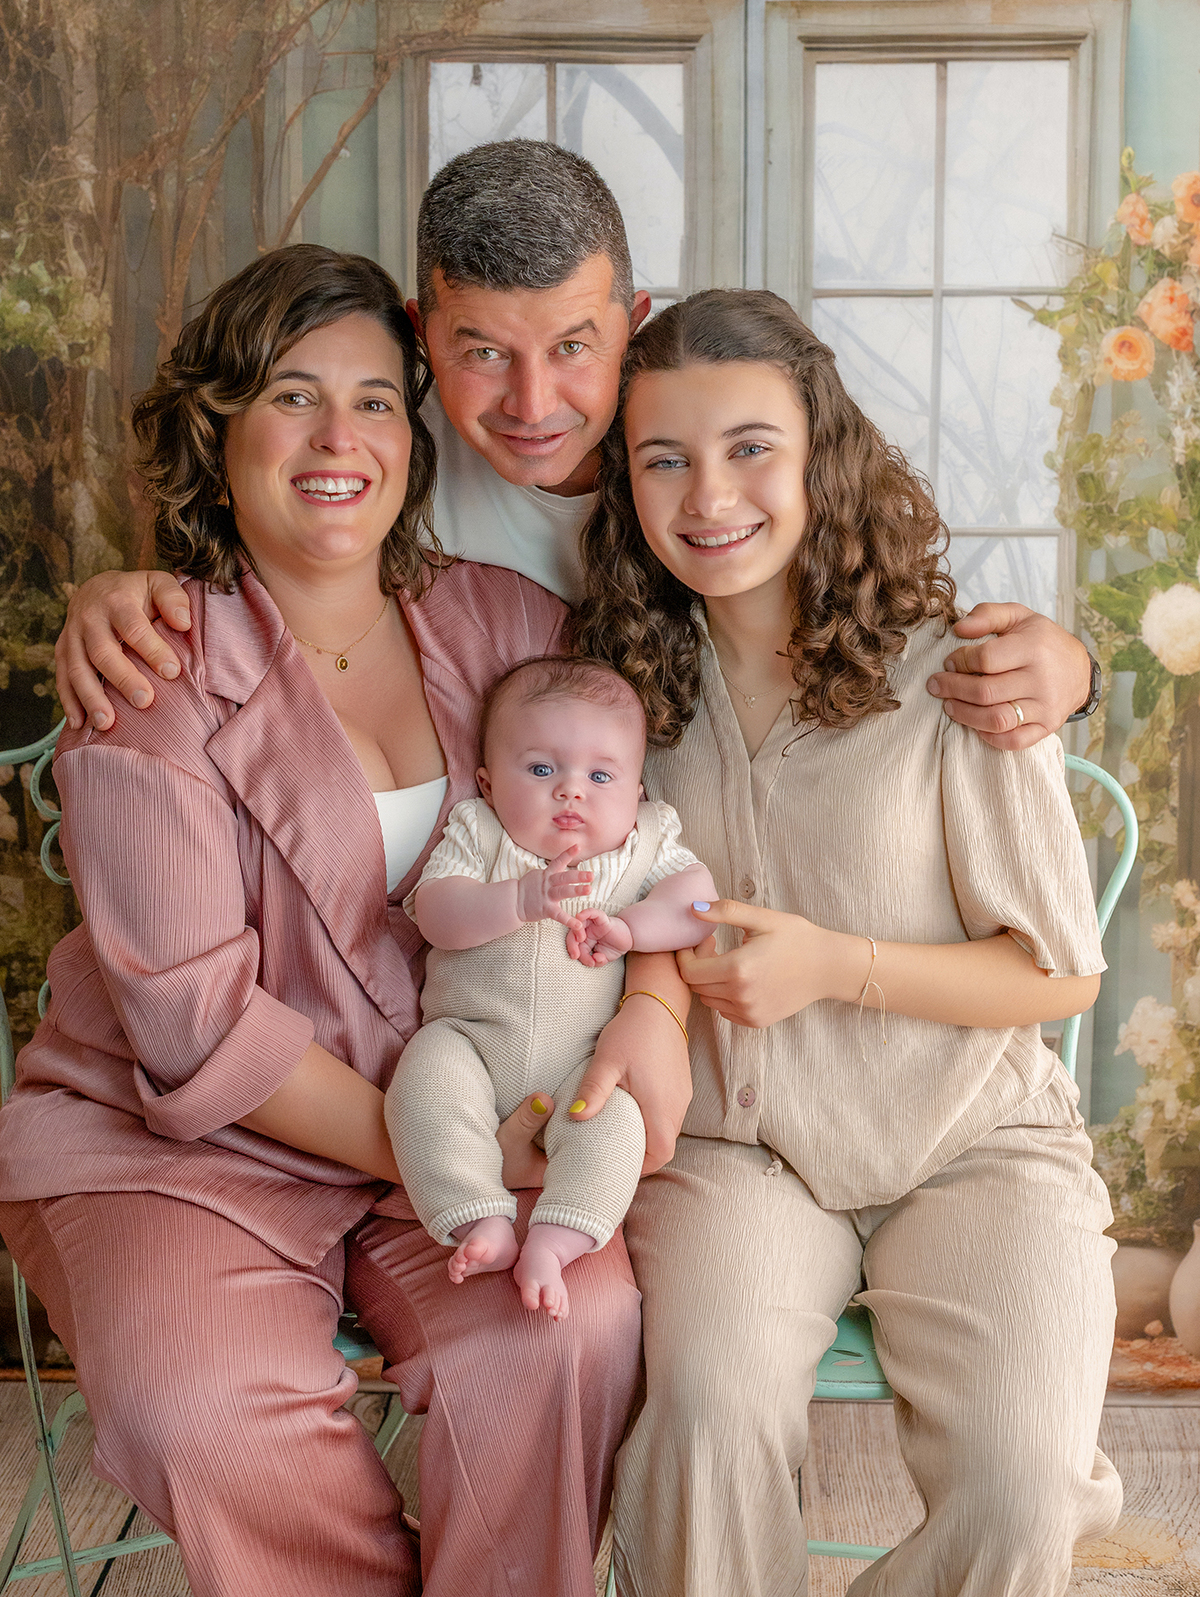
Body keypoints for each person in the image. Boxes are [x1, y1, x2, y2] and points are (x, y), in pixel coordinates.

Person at [0, 244, 665, 1597]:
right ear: (220, 429)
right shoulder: (153, 674)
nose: (337, 437)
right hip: (179, 1142)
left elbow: (670, 827)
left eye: (373, 401)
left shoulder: (507, 627)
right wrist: (456, 1150)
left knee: (566, 1332)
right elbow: (195, 1030)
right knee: (200, 1407)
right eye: (293, 397)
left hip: (466, 1118)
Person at [567, 289, 1121, 1597]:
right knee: (699, 1428)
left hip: (974, 1142)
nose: (709, 494)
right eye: (665, 458)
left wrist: (835, 965)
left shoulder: (959, 670)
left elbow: (1063, 972)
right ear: (626, 485)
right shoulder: (614, 697)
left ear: (821, 456)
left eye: (751, 447)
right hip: (739, 1155)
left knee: (1025, 1486)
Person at [52, 143, 1098, 753]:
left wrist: (1073, 670)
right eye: (481, 353)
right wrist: (123, 587)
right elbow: (245, 582)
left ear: (633, 317)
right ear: (422, 333)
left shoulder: (714, 444)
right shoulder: (368, 460)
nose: (532, 403)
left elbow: (862, 584)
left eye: (573, 346)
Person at [386, 654, 717, 1317]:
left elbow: (699, 902)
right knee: (421, 1087)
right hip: (471, 1044)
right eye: (541, 770)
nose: (571, 792)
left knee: (614, 1122)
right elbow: (437, 913)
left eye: (600, 775)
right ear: (487, 780)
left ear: (638, 794)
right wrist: (516, 900)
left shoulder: (644, 844)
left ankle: (557, 1241)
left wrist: (632, 927)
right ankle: (475, 1215)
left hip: (581, 1065)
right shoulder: (479, 832)